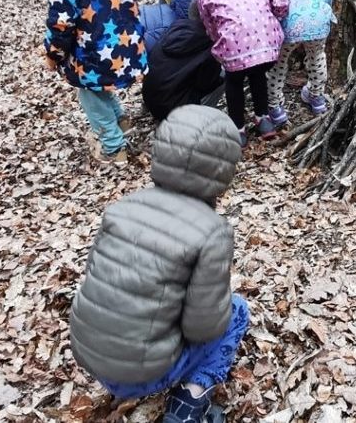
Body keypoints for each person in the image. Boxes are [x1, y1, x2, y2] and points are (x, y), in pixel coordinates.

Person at [68, 105, 250, 423]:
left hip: (89, 355)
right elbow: (204, 327)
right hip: (141, 373)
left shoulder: (122, 208)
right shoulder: (212, 231)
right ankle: (189, 404)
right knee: (236, 312)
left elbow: (98, 278)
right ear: (224, 170)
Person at [42, 0, 147, 164]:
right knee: (99, 86)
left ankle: (114, 149)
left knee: (89, 93)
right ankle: (121, 121)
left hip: (90, 55)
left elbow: (60, 28)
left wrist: (52, 56)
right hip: (126, 45)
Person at [196, 0, 289, 146]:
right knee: (258, 75)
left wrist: (218, 45)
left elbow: (210, 26)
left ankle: (238, 129)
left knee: (234, 82)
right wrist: (277, 16)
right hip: (267, 45)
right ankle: (263, 120)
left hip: (233, 49)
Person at [142, 0, 224, 123]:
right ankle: (201, 120)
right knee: (224, 75)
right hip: (175, 113)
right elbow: (206, 85)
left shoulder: (174, 28)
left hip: (152, 101)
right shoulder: (209, 46)